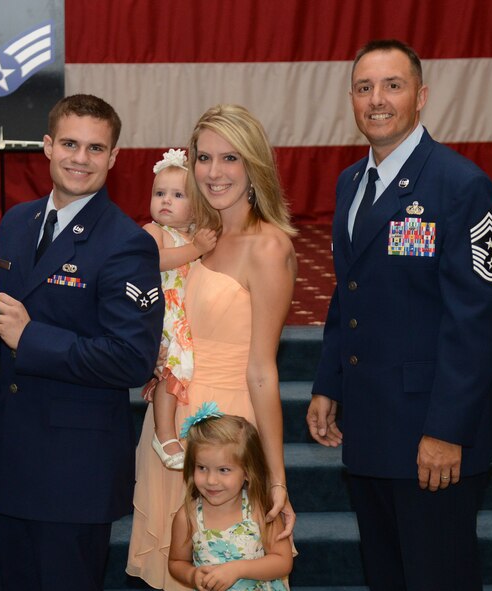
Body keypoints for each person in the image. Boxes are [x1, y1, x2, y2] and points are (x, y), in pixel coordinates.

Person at [0, 94, 163, 591]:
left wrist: (33, 338)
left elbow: (132, 360)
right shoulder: (17, 222)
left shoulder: (126, 244)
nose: (79, 159)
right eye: (69, 143)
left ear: (113, 157)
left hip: (75, 474)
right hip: (15, 457)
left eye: (95, 148)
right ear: (47, 146)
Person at [306, 39, 492, 591]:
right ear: (351, 97)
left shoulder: (461, 186)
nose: (378, 99)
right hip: (370, 427)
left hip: (431, 435)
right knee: (389, 577)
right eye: (365, 87)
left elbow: (477, 322)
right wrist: (329, 383)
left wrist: (446, 431)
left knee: (438, 579)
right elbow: (349, 294)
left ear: (420, 97)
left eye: (392, 86)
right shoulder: (351, 183)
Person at [128, 104, 297, 591]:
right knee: (177, 571)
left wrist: (277, 479)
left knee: (232, 571)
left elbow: (263, 370)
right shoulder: (190, 236)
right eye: (204, 157)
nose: (214, 172)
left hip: (228, 430)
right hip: (170, 430)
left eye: (230, 158)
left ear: (253, 165)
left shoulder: (269, 247)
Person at [141, 148, 218, 470]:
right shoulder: (153, 232)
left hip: (187, 319)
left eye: (177, 195)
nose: (165, 201)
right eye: (159, 193)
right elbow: (155, 261)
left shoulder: (192, 237)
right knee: (169, 375)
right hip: (161, 318)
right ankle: (164, 434)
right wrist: (195, 249)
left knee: (183, 373)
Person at [169, 405, 293, 591]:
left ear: (247, 472)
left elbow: (283, 561)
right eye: (202, 468)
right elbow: (177, 561)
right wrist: (192, 575)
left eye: (223, 470)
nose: (211, 480)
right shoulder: (188, 516)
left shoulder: (261, 509)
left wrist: (237, 569)